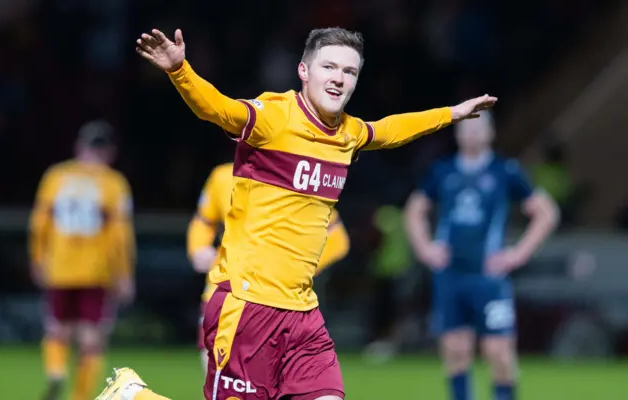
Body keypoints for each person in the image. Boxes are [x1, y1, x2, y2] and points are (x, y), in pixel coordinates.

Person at [96, 26, 497, 400]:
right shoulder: (273, 118)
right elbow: (216, 109)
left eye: (350, 71)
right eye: (329, 67)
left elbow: (390, 129)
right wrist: (179, 70)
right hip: (247, 305)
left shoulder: (348, 134)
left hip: (303, 313)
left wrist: (452, 114)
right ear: (304, 70)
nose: (339, 78)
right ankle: (134, 395)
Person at [404, 112, 559, 400]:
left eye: (479, 128)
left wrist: (518, 254)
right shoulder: (443, 171)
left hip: (489, 277)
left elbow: (546, 213)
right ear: (458, 133)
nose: (472, 133)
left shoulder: (505, 171)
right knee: (456, 350)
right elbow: (414, 210)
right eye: (467, 127)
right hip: (450, 275)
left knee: (499, 352)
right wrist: (425, 249)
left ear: (490, 133)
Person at [187, 161, 350, 381]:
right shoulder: (223, 176)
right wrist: (198, 249)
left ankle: (133, 393)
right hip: (222, 291)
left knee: (265, 384)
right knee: (216, 381)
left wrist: (295, 269)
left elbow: (338, 239)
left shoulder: (295, 178)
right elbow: (204, 220)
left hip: (274, 299)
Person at [29, 120, 135, 400]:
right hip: (95, 270)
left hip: (59, 266)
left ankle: (55, 370)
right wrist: (124, 273)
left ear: (80, 146)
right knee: (92, 339)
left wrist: (38, 258)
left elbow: (39, 223)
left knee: (56, 329)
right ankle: (80, 396)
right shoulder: (113, 183)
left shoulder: (56, 176)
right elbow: (120, 235)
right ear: (110, 151)